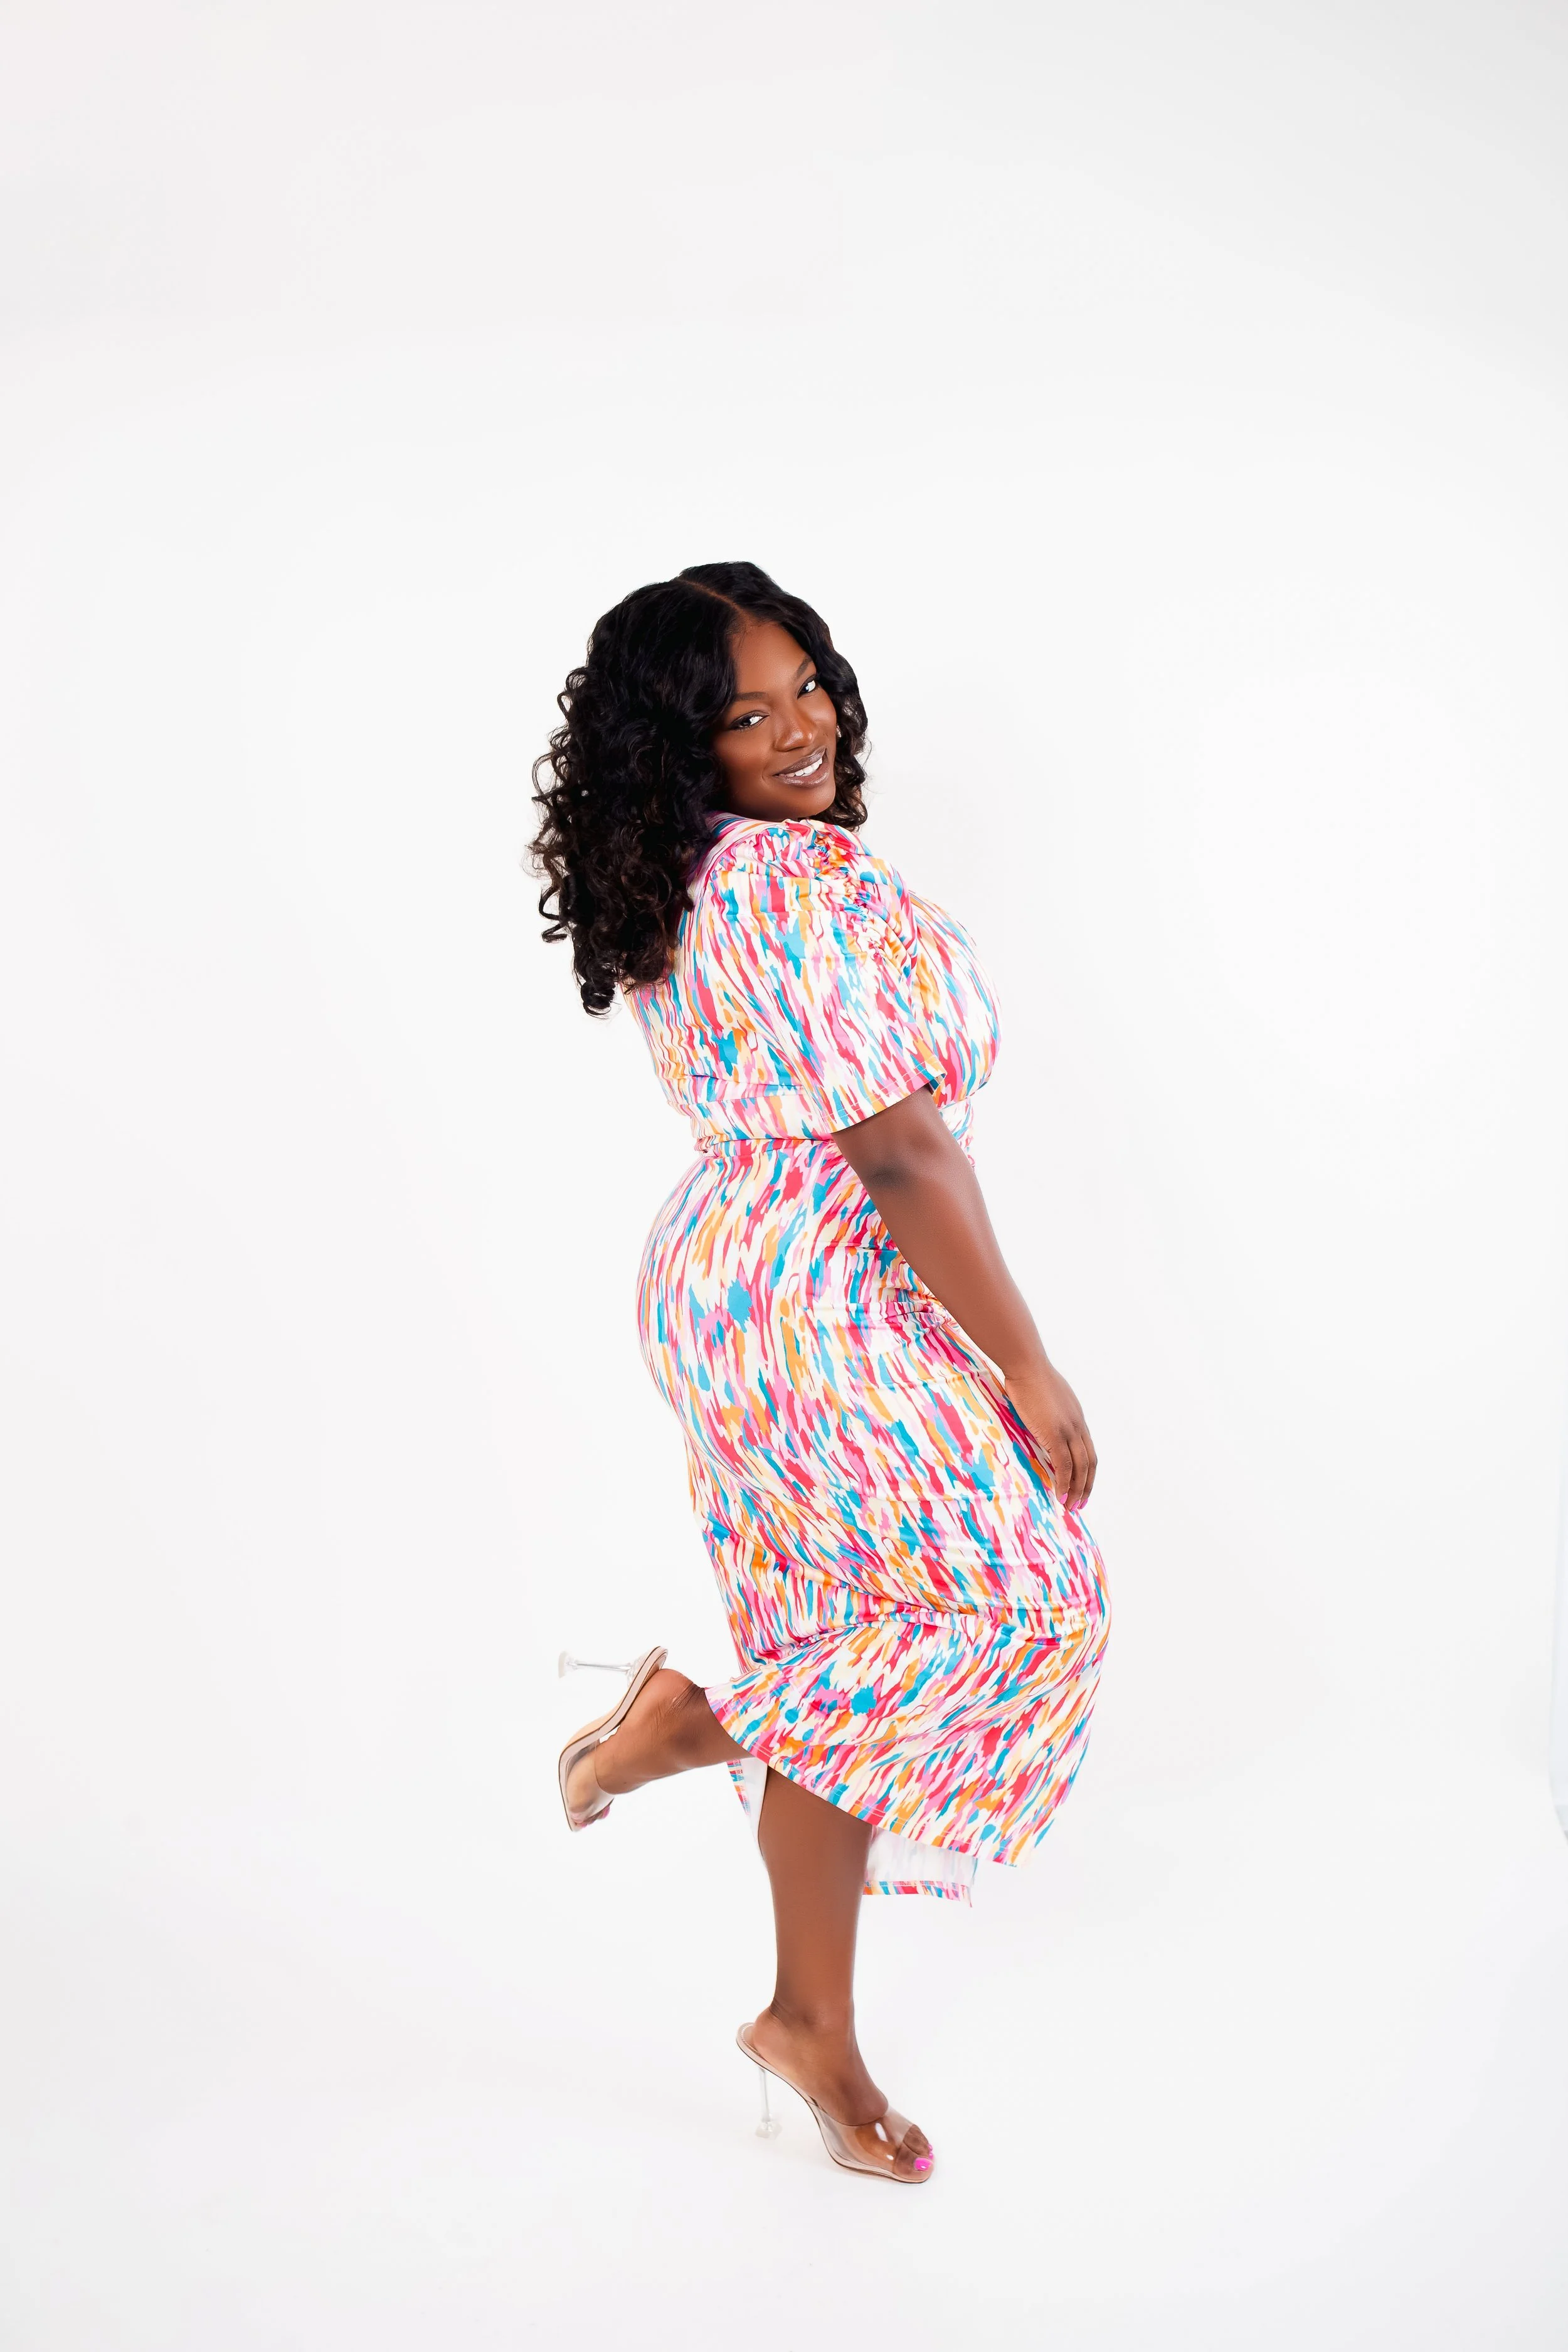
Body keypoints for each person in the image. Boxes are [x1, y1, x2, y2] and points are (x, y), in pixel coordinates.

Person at [528, 561, 1110, 2185]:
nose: (798, 730)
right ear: (679, 747)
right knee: (1024, 1600)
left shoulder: (695, 877)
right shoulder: (795, 884)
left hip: (734, 1278)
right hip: (827, 1288)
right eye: (744, 713)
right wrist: (1026, 1361)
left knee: (850, 1648)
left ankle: (807, 2022)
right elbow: (905, 1150)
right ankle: (681, 1725)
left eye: (807, 690)